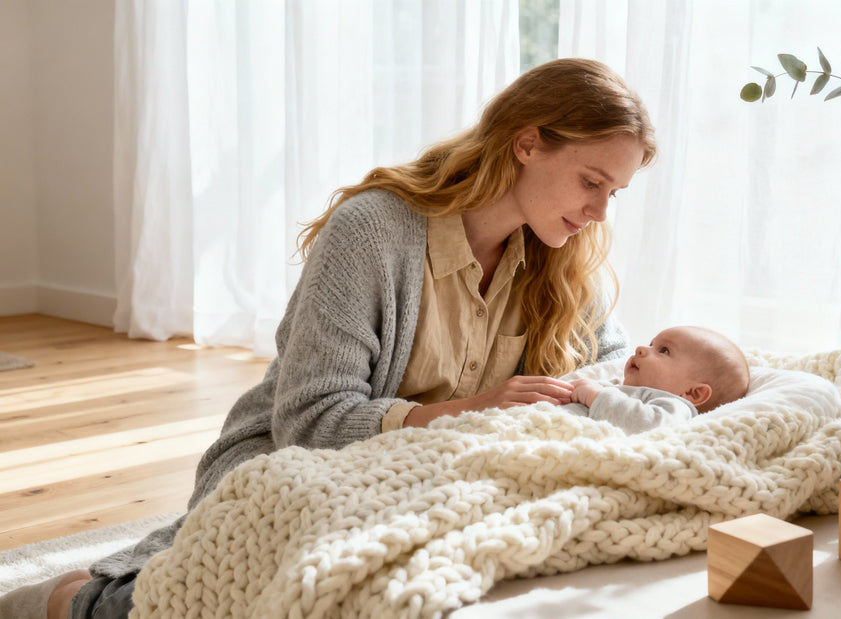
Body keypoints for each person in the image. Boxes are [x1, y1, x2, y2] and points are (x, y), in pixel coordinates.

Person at [0, 57, 656, 619]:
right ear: (527, 143)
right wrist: (472, 411)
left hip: (420, 482)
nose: (600, 211)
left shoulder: (562, 247)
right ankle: (73, 600)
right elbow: (310, 420)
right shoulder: (373, 231)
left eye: (615, 192)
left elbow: (613, 359)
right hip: (290, 466)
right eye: (591, 181)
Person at [563, 325, 750, 434]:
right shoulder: (615, 385)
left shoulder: (674, 407)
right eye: (651, 344)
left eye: (664, 350)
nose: (641, 349)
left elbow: (649, 425)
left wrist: (595, 396)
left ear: (693, 393)